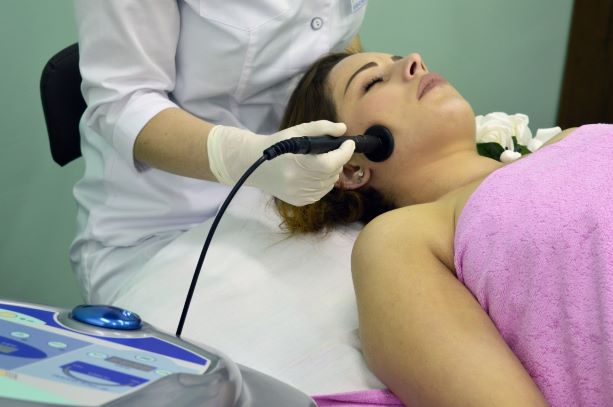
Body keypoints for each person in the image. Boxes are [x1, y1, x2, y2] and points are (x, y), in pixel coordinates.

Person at [274, 51, 613, 406]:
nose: (415, 61)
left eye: (400, 59)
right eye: (372, 82)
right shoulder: (402, 238)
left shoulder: (574, 138)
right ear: (350, 167)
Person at [70, 1, 366, 304]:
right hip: (167, 226)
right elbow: (123, 102)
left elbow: (336, 38)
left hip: (301, 213)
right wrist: (244, 158)